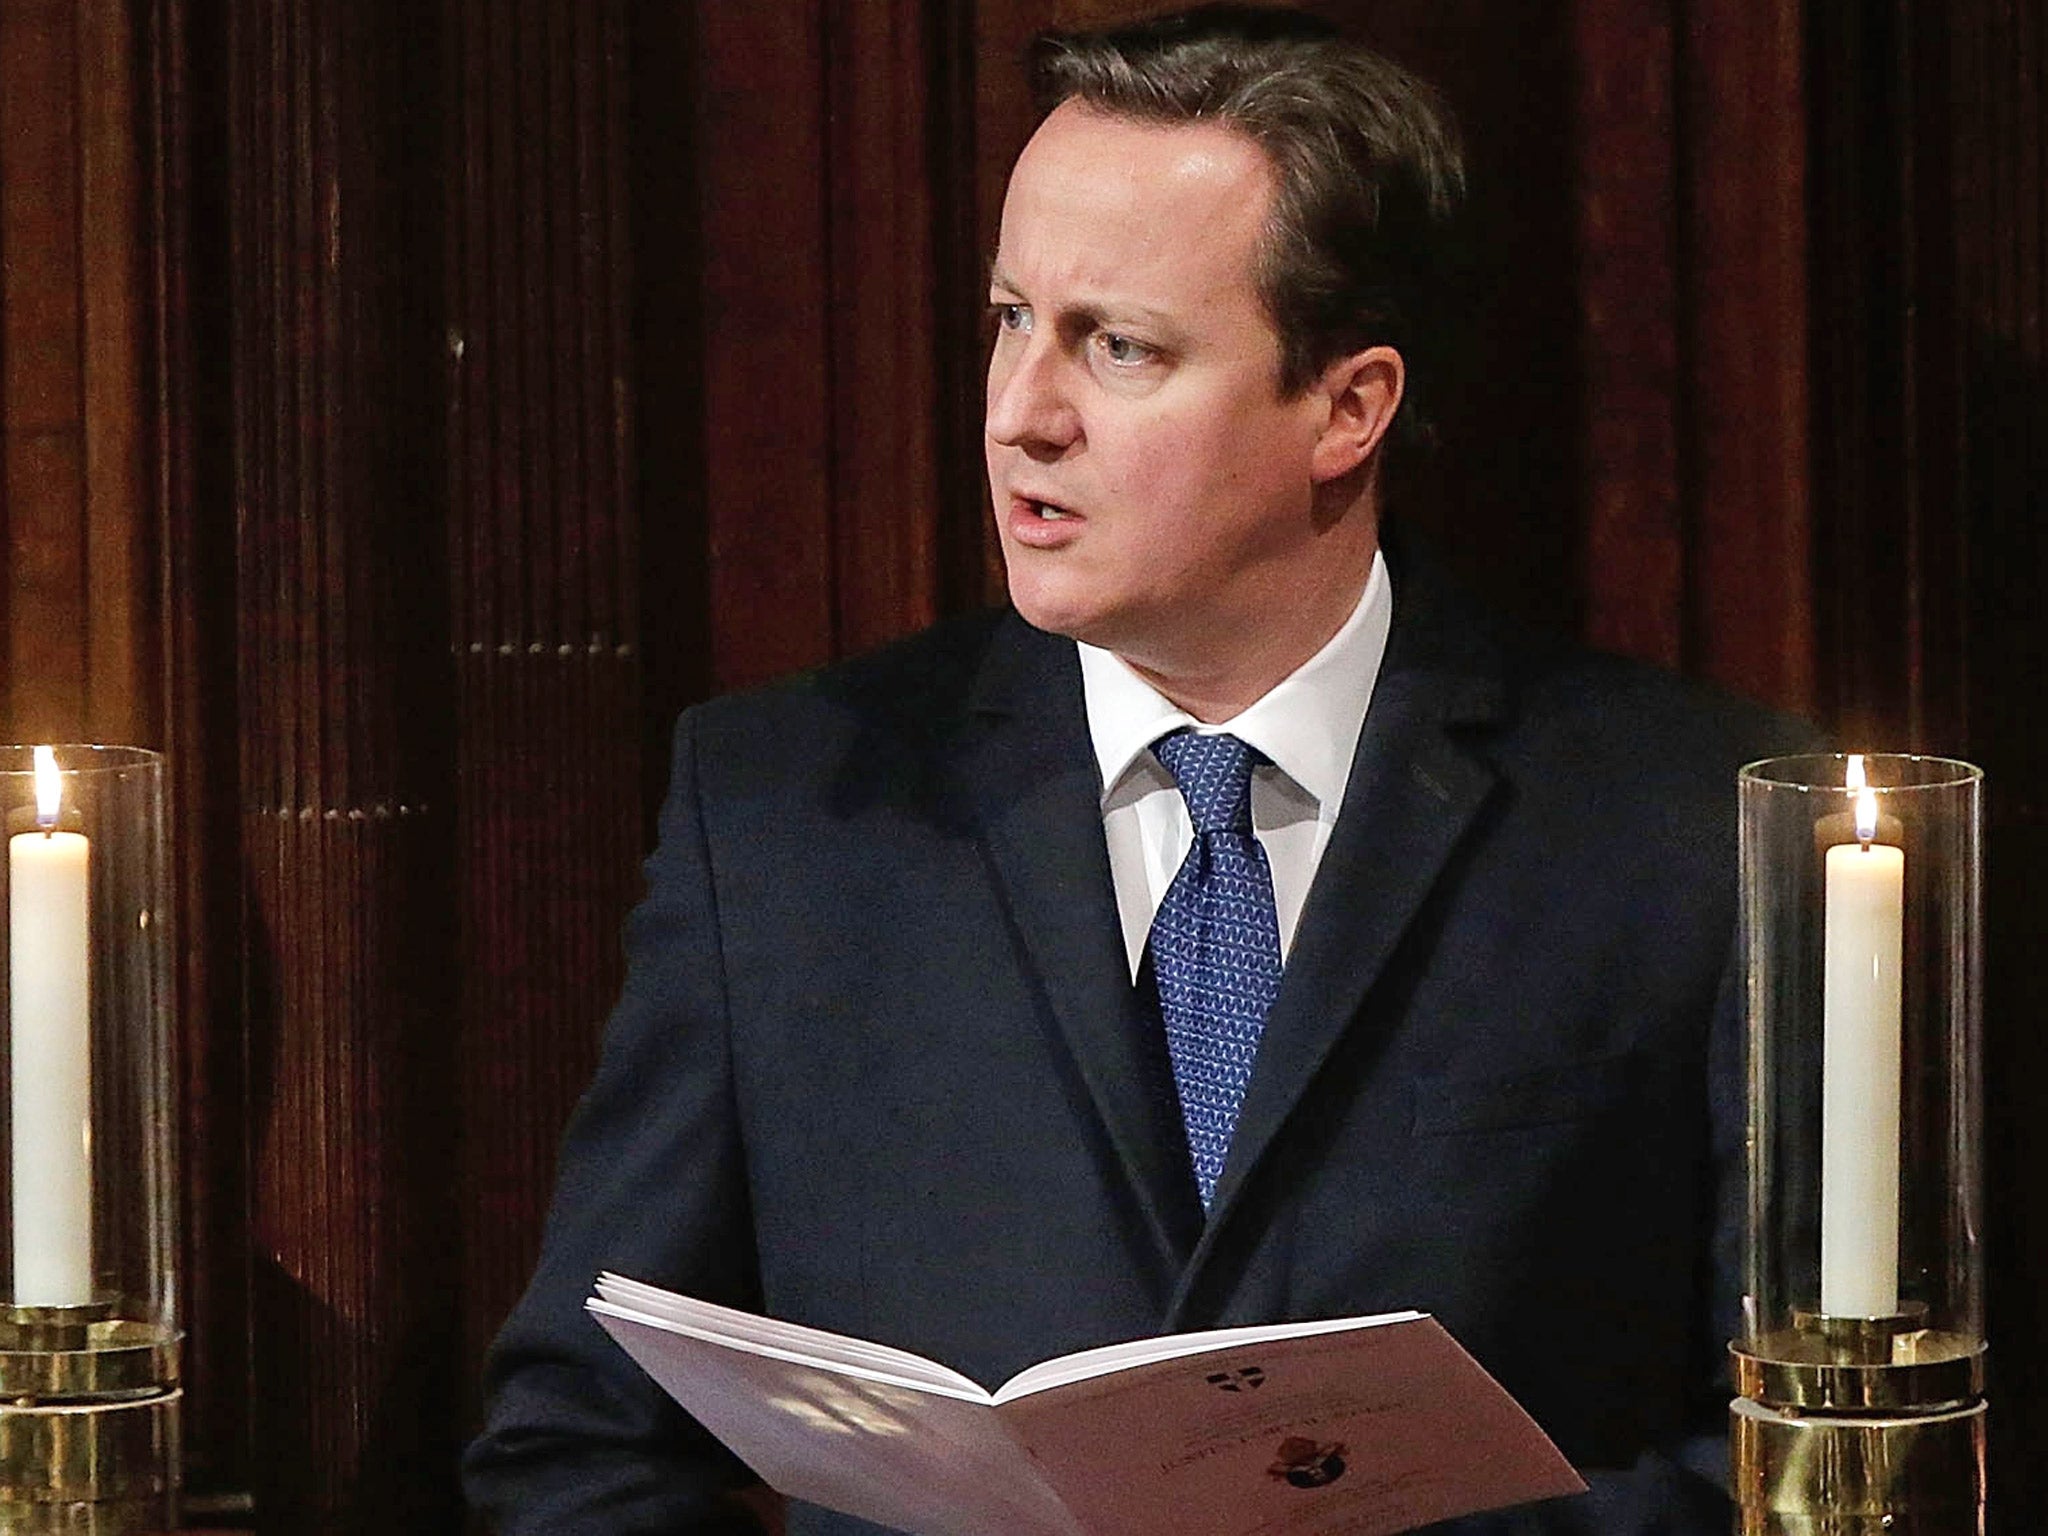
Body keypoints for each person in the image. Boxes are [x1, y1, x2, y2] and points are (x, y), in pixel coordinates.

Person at [464, 8, 1814, 1533]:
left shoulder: (1691, 818)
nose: (1019, 414)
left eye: (1119, 347)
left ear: (1347, 407)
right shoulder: (783, 810)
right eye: (1007, 318)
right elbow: (577, 1444)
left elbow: (1816, 1456)